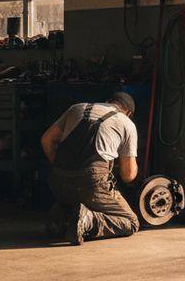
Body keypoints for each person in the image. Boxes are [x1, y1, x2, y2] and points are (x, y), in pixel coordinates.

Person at [40, 92, 141, 245]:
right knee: (130, 221)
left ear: (108, 102)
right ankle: (89, 221)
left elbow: (46, 140)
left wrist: (61, 168)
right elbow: (128, 175)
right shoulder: (126, 123)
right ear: (128, 113)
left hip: (58, 182)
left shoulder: (77, 108)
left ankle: (61, 216)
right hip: (90, 184)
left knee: (79, 195)